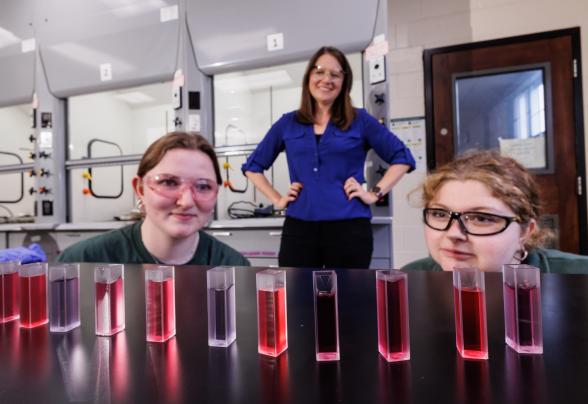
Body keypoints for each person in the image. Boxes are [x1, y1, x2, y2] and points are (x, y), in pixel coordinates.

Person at [242, 46, 415, 268]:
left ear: (344, 82)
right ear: (309, 78)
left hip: (350, 228)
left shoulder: (360, 120)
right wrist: (277, 200)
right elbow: (253, 166)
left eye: (335, 74)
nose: (327, 79)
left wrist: (373, 193)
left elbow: (402, 157)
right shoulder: (288, 123)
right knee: (297, 297)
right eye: (320, 71)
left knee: (349, 298)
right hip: (299, 228)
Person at [58, 132, 250, 266]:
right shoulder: (82, 262)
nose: (187, 202)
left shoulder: (233, 267)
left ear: (216, 193)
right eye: (168, 182)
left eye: (203, 186)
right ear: (140, 189)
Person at [403, 150, 588, 273]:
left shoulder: (578, 277)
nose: (453, 234)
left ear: (525, 231)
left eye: (481, 218)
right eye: (440, 214)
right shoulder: (411, 278)